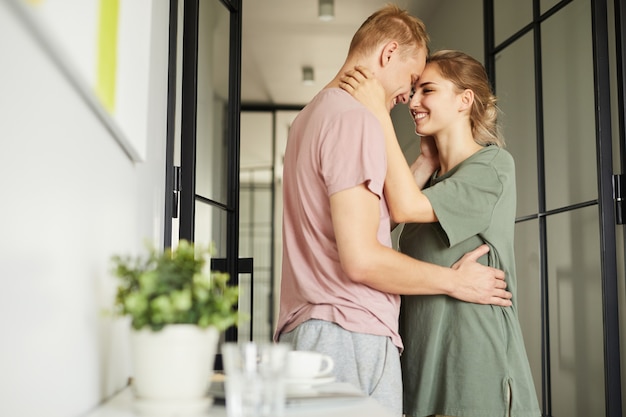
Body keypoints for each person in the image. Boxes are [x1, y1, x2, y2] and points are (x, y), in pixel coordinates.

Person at [273, 5, 513, 415]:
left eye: (425, 88)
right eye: (412, 80)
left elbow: (373, 216)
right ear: (388, 54)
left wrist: (421, 165)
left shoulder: (307, 118)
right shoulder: (356, 119)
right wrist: (456, 283)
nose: (408, 97)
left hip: (314, 329)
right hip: (347, 332)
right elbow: (363, 257)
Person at [339, 50, 541, 417]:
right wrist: (426, 161)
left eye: (427, 90)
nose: (413, 101)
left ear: (465, 100)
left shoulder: (492, 165)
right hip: (421, 360)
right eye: (413, 91)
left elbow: (405, 208)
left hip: (474, 362)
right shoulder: (426, 181)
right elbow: (376, 225)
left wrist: (377, 114)